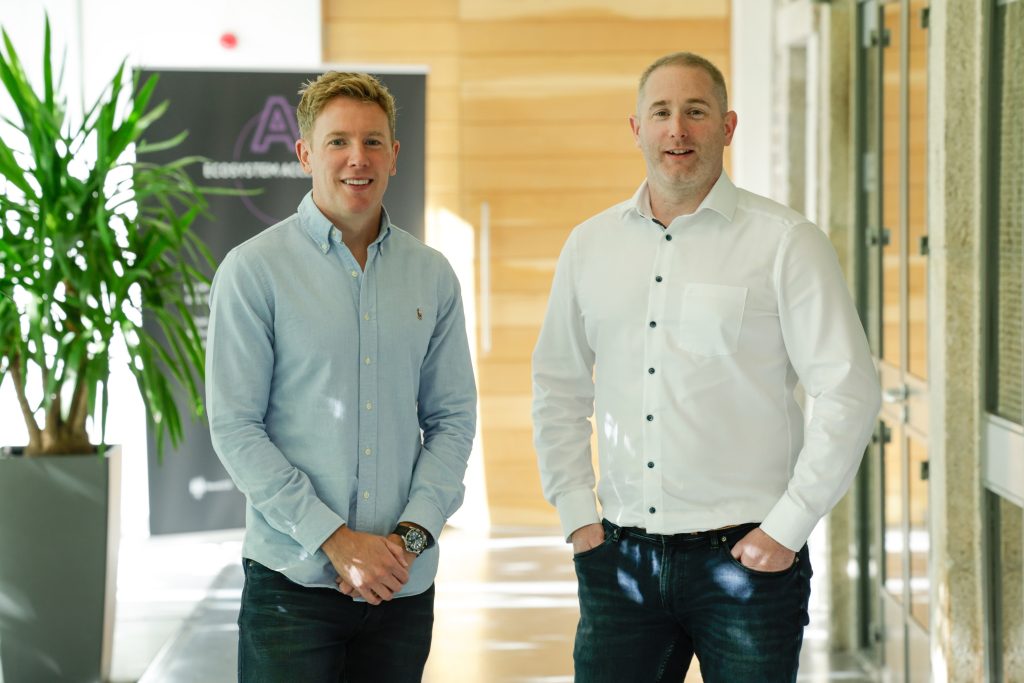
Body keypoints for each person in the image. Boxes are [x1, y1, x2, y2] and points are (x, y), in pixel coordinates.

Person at [531, 52, 881, 682]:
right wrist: (577, 515)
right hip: (621, 559)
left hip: (748, 561)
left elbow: (847, 390)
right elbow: (557, 388)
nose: (678, 130)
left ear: (728, 125)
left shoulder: (785, 242)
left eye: (696, 111)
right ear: (635, 128)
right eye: (661, 112)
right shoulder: (589, 246)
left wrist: (790, 525)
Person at [206, 71, 477, 682]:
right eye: (338, 142)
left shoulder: (432, 276)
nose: (358, 158)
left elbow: (452, 418)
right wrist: (336, 540)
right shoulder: (253, 271)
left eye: (374, 141)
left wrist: (407, 540)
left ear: (395, 155)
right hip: (292, 588)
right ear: (305, 154)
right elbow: (236, 426)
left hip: (401, 589)